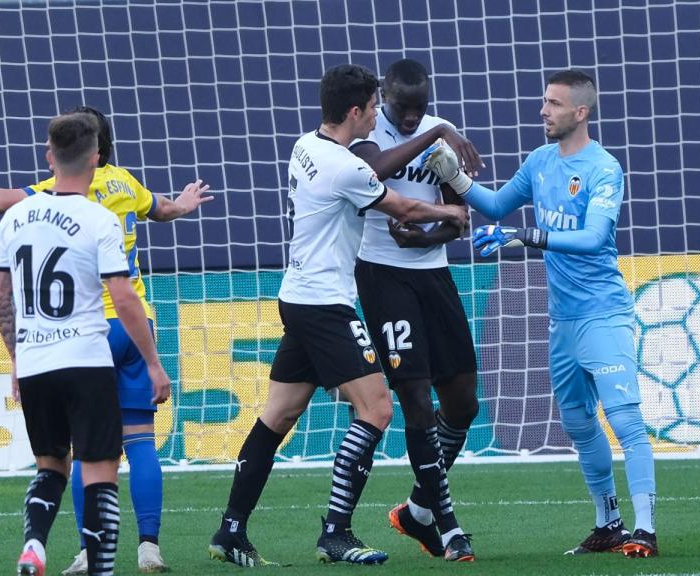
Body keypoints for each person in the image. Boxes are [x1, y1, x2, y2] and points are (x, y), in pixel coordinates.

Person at [0, 106, 211, 574]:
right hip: (124, 329)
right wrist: (185, 203)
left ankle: (72, 548)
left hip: (53, 344)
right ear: (97, 152)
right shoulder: (122, 188)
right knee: (137, 444)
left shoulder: (34, 206)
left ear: (53, 154)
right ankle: (148, 547)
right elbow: (163, 210)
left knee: (65, 458)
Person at [207, 63, 469, 567]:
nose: (378, 116)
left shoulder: (306, 145)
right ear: (354, 111)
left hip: (299, 294)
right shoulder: (345, 167)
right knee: (377, 409)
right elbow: (405, 209)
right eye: (373, 108)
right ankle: (336, 532)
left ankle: (230, 530)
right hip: (326, 303)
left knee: (278, 415)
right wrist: (451, 213)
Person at [424, 68, 658, 558]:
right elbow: (494, 205)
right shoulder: (540, 162)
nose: (543, 111)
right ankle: (607, 522)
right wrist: (455, 176)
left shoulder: (603, 168)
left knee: (625, 420)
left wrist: (529, 236)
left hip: (603, 314)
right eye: (543, 101)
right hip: (563, 322)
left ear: (580, 112)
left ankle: (646, 530)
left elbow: (594, 238)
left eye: (553, 103)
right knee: (577, 423)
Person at [0, 111, 171, 576]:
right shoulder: (98, 218)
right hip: (87, 357)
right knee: (101, 469)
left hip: (36, 360)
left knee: (51, 466)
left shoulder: (16, 217)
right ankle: (108, 564)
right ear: (95, 158)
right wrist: (153, 363)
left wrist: (16, 357)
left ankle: (34, 543)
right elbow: (122, 295)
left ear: (49, 156)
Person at [349, 58, 483, 562]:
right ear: (383, 96)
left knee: (463, 401)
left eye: (420, 109)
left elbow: (459, 218)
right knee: (417, 403)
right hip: (382, 276)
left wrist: (426, 237)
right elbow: (371, 174)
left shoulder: (435, 133)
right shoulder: (368, 131)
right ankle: (448, 527)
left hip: (434, 272)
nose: (411, 117)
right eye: (403, 108)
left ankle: (418, 509)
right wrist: (434, 134)